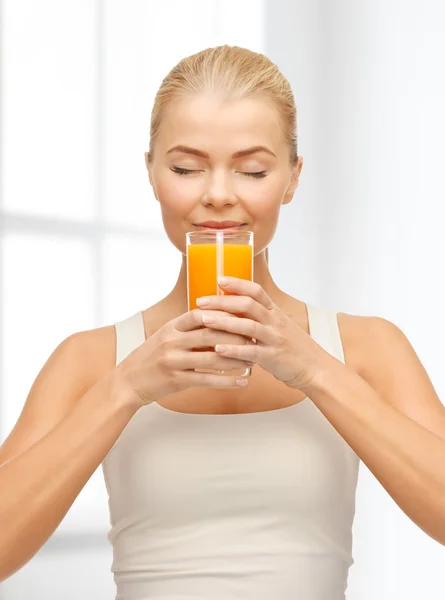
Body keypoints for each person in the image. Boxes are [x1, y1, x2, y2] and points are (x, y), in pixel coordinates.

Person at [1, 45, 444, 598]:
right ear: (151, 173)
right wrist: (127, 386)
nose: (216, 194)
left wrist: (314, 369)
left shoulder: (368, 347)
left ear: (291, 178)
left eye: (253, 169)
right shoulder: (90, 359)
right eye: (186, 168)